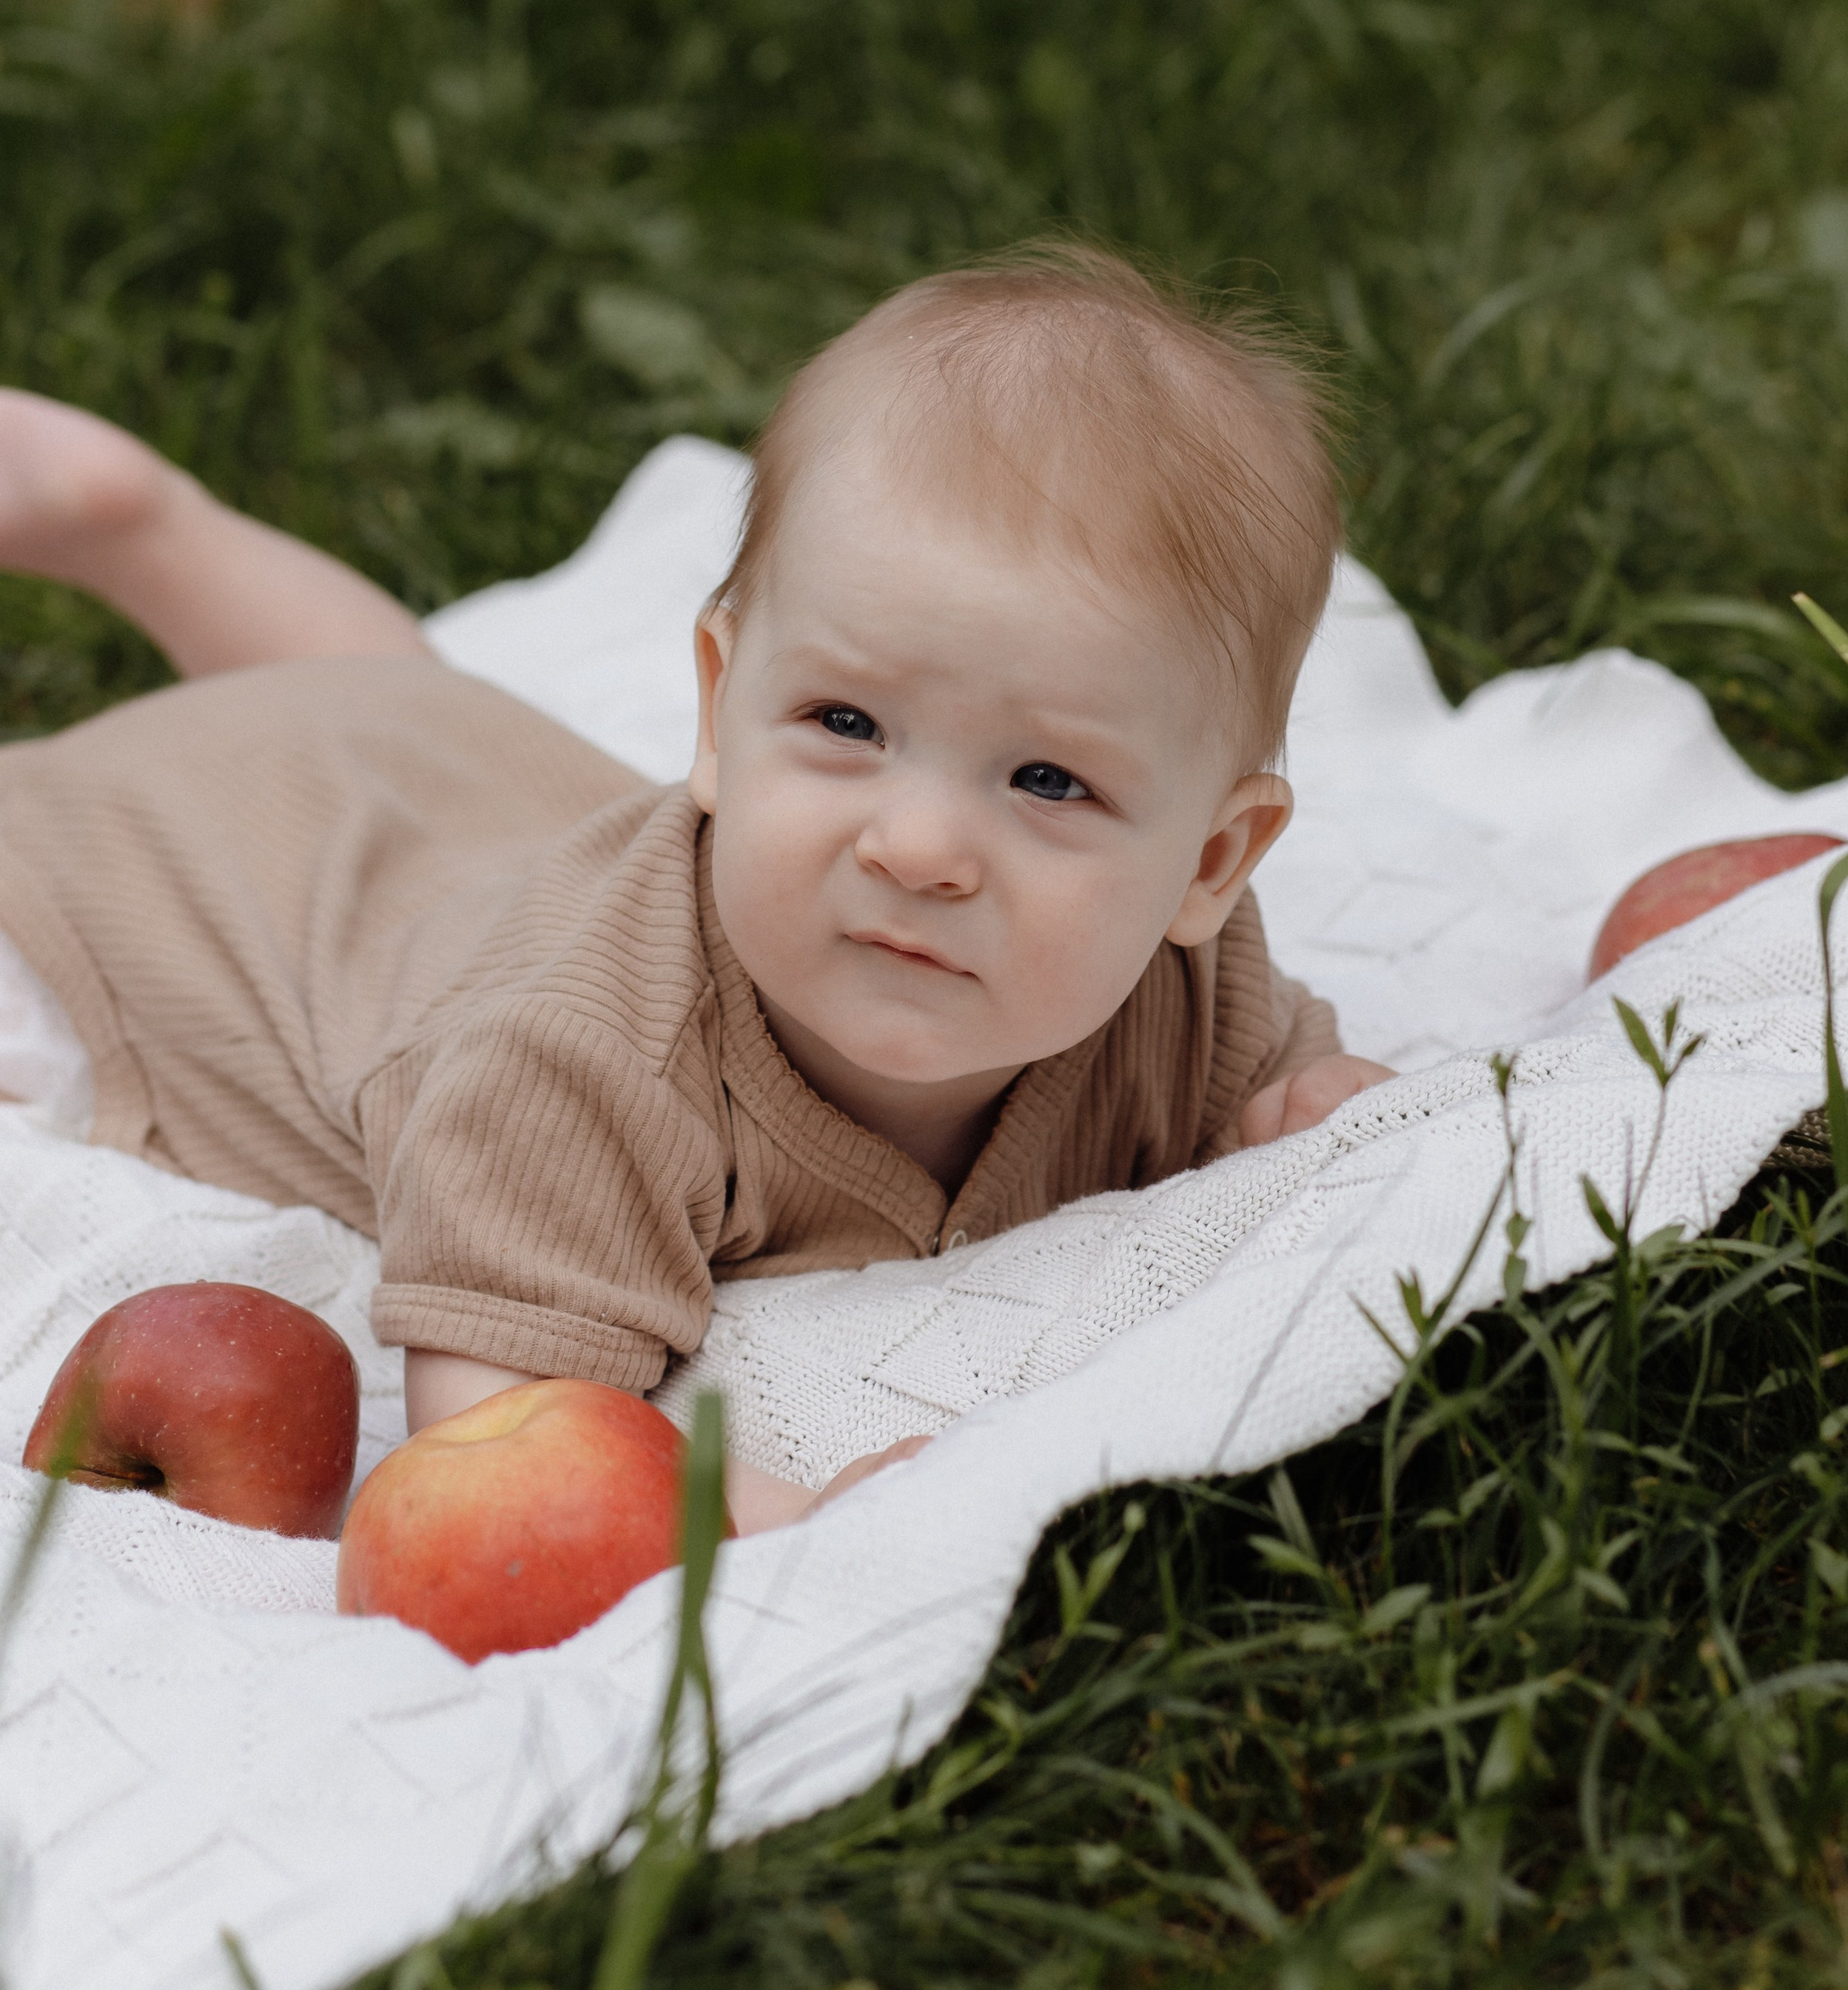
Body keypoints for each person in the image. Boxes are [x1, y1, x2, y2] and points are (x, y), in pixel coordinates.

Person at [0, 247, 1392, 1531]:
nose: (917, 847)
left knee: (399, 716)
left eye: (1046, 784)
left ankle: (141, 522)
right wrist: (797, 1523)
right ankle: (147, 530)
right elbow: (501, 1447)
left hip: (434, 783)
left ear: (1209, 864)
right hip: (146, 896)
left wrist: (1329, 1114)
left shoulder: (1187, 994)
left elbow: (1301, 1091)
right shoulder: (573, 1068)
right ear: (720, 713)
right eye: (846, 724)